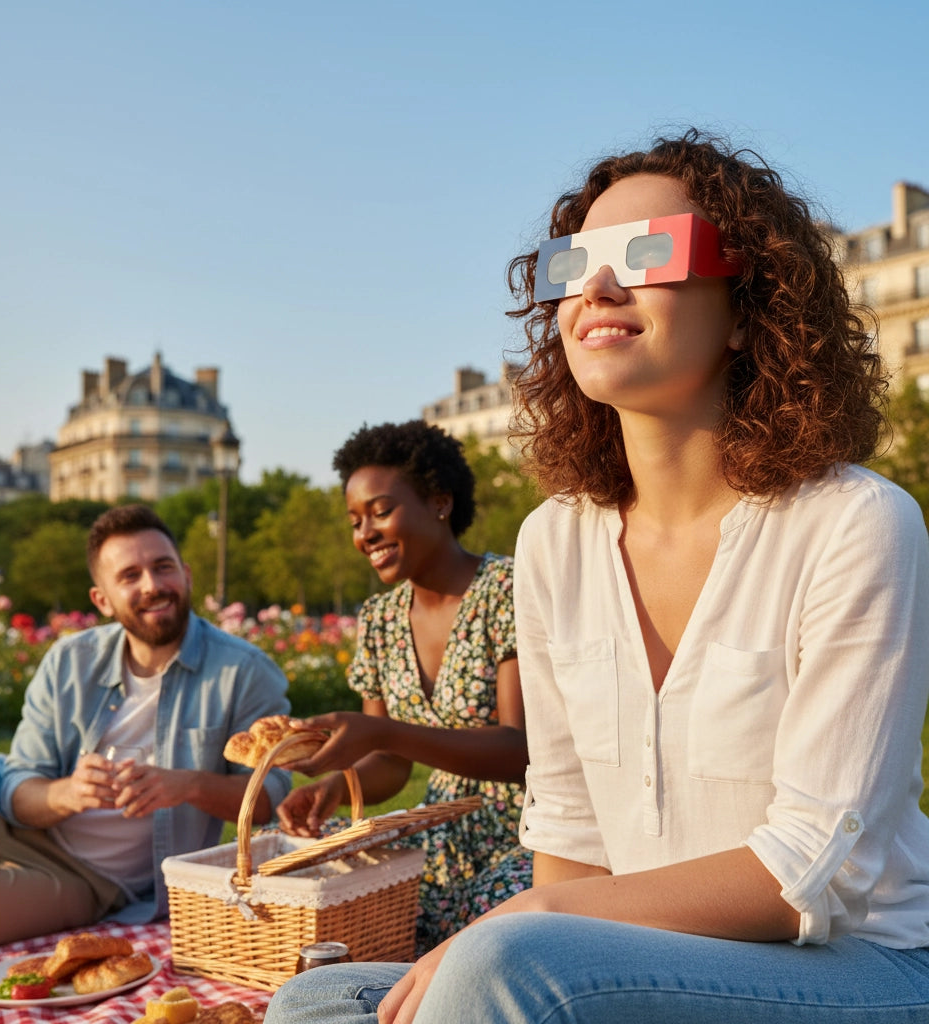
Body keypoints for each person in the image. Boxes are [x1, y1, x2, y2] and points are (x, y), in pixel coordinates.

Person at [265, 129, 929, 1023]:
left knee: (506, 961)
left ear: (745, 311)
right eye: (573, 265)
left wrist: (532, 923)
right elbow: (572, 834)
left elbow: (806, 874)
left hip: (860, 966)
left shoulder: (854, 522)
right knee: (320, 997)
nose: (598, 288)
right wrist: (542, 924)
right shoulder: (555, 542)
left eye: (649, 253)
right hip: (638, 962)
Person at [0, 503, 291, 957]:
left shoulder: (244, 671)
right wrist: (67, 793)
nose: (152, 585)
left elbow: (269, 799)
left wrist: (187, 785)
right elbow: (16, 787)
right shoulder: (70, 659)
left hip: (84, 878)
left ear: (186, 575)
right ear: (102, 599)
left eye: (163, 567)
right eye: (130, 575)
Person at [275, 419, 532, 952]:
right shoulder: (380, 619)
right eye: (355, 520)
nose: (364, 533)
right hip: (437, 838)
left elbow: (519, 750)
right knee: (325, 902)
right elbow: (390, 764)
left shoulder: (506, 589)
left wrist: (383, 733)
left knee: (484, 943)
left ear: (440, 502)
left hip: (526, 833)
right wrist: (334, 788)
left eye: (380, 511)